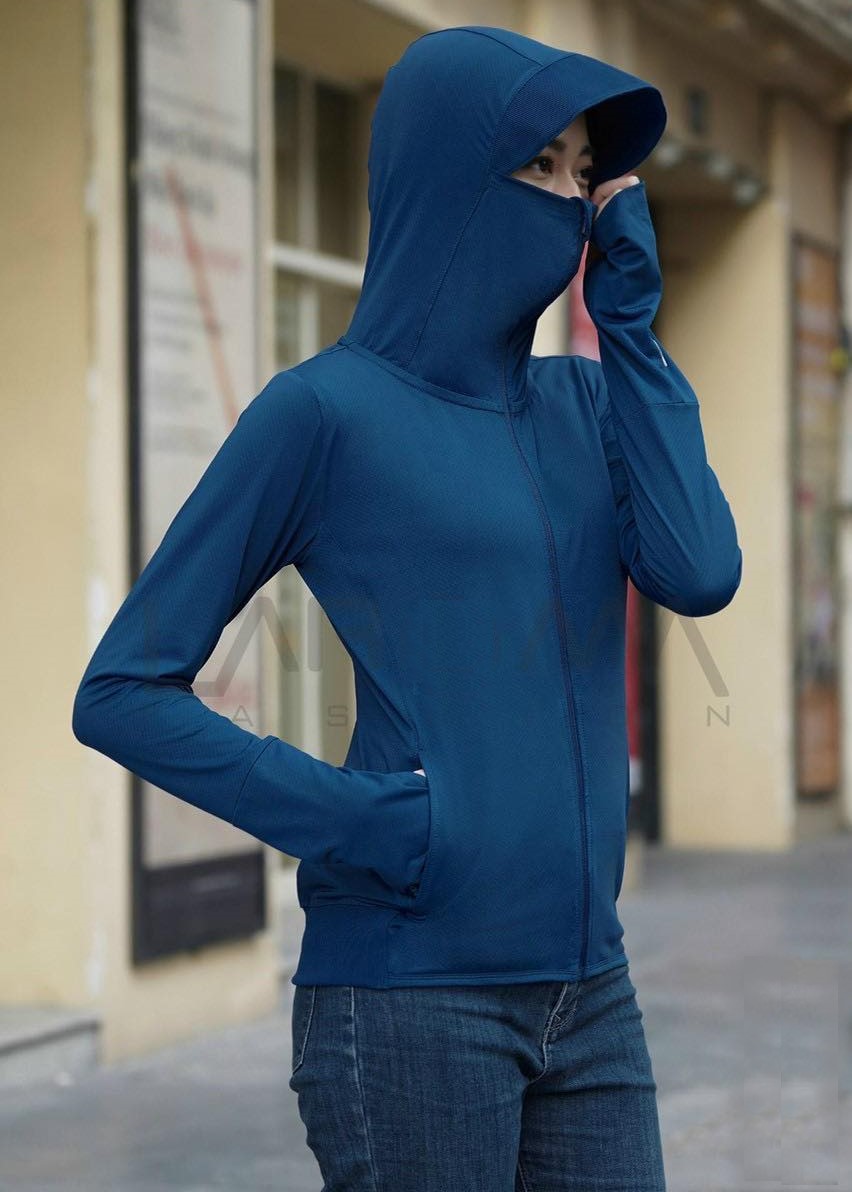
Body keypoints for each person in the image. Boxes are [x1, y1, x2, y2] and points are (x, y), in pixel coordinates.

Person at [72, 23, 742, 1191]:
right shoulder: (324, 413)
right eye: (540, 163)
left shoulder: (588, 403)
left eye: (584, 171)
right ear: (449, 173)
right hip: (409, 1000)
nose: (572, 199)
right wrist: (360, 821)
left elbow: (700, 570)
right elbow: (121, 690)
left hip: (592, 990)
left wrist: (632, 330)